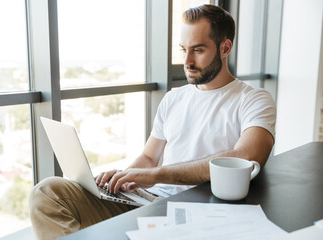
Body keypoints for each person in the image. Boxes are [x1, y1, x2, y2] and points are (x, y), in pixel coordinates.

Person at [29, 4, 276, 239]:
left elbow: (246, 157)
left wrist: (156, 175)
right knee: (47, 193)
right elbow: (149, 158)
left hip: (193, 211)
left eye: (198, 50)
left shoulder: (253, 99)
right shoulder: (174, 98)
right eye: (183, 49)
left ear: (225, 47)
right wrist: (124, 178)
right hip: (146, 199)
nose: (187, 62)